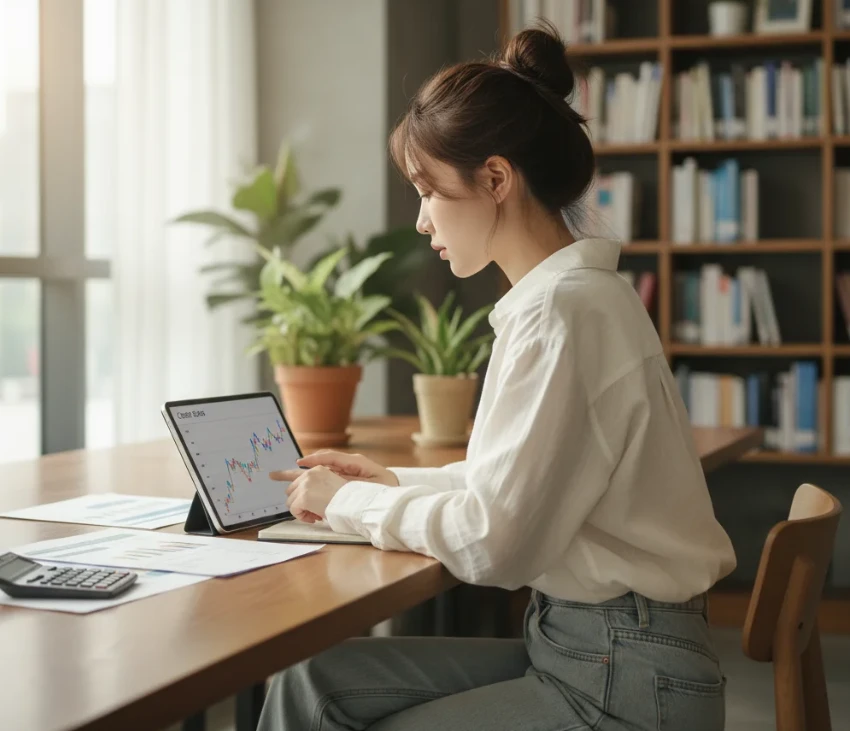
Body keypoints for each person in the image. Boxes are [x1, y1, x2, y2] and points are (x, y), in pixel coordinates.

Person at [259, 21, 736, 731]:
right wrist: (385, 483)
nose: (422, 220)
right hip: (599, 648)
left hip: (623, 677)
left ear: (495, 179)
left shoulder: (562, 316)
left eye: (428, 190)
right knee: (312, 682)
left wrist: (342, 505)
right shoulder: (570, 300)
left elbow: (494, 542)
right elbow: (513, 485)